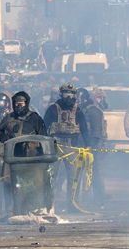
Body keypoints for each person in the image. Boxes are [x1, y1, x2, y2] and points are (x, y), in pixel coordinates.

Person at [43, 82, 90, 211]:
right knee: (51, 177)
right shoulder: (53, 109)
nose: (68, 97)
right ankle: (49, 205)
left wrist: (88, 144)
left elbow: (84, 129)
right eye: (66, 93)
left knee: (73, 177)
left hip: (72, 147)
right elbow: (43, 127)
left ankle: (72, 204)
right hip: (55, 147)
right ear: (61, 94)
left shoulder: (78, 110)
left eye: (71, 94)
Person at [79, 88, 110, 205]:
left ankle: (99, 194)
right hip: (90, 145)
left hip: (93, 144)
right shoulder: (92, 110)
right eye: (99, 97)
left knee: (96, 171)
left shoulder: (94, 110)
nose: (101, 100)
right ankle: (90, 196)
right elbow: (96, 130)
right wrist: (91, 144)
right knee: (90, 171)